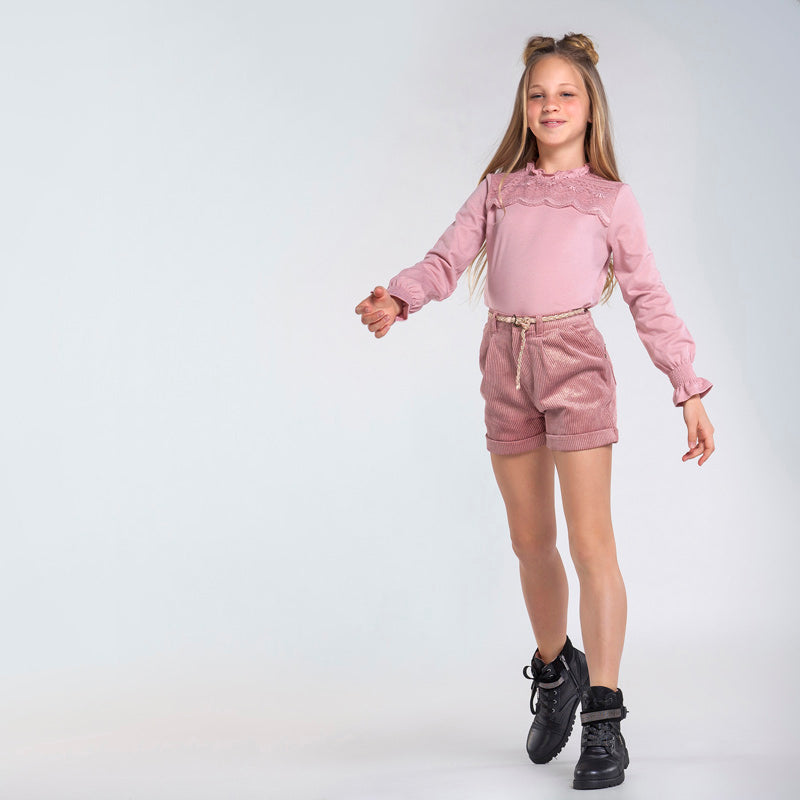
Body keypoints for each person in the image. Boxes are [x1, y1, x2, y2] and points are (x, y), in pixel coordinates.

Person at [354, 32, 714, 791]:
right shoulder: (498, 190)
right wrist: (400, 297)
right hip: (504, 363)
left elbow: (648, 297)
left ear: (591, 109)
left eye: (566, 93)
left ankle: (604, 717)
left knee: (591, 543)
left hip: (573, 360)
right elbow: (447, 258)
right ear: (524, 108)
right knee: (530, 542)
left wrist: (687, 387)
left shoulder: (609, 200)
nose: (551, 105)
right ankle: (557, 672)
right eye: (538, 94)